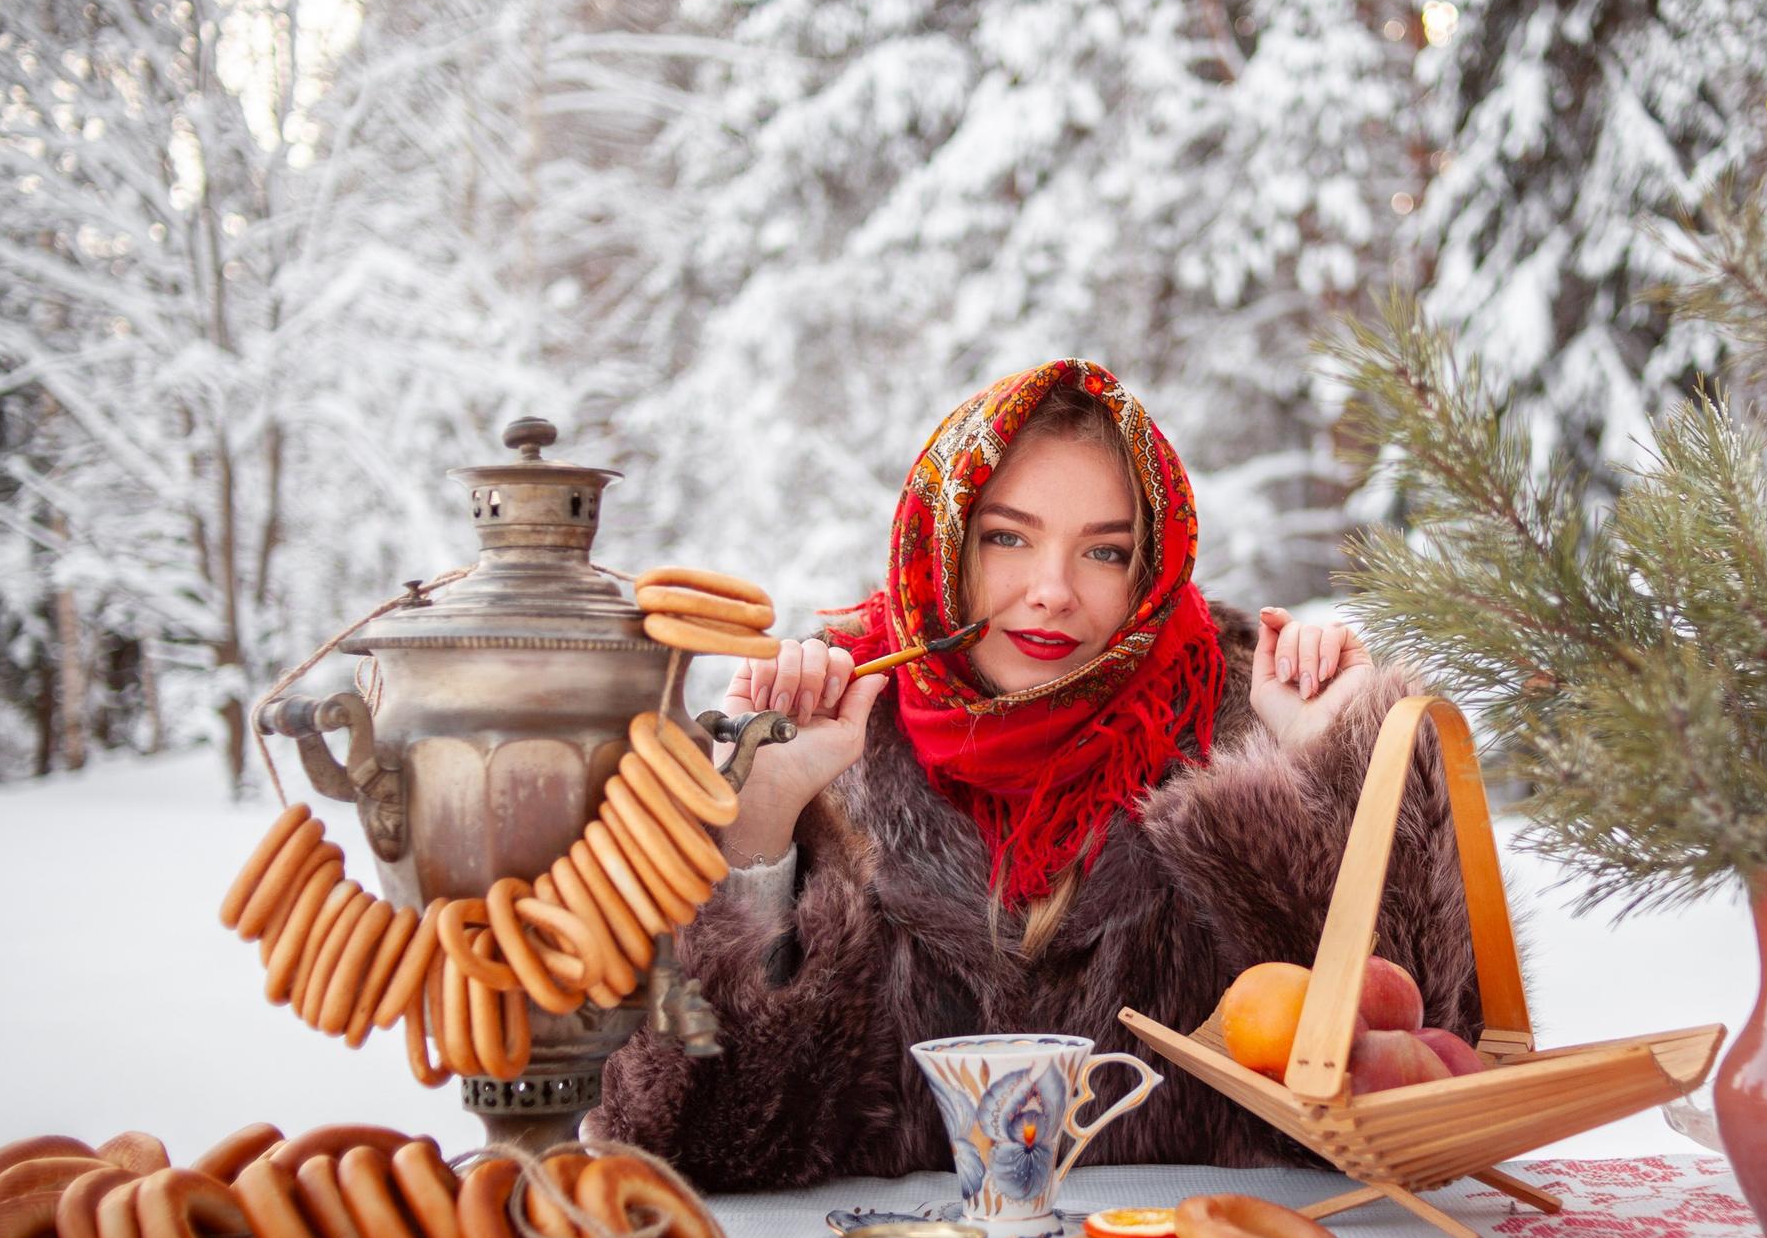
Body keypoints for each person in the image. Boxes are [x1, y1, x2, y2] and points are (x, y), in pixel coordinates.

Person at [598, 361, 1514, 1188]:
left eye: (1104, 550)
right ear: (942, 545)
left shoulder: (1243, 718)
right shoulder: (833, 735)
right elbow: (704, 1135)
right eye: (1007, 538)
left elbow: (1430, 1082)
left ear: (1149, 566)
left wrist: (1328, 773)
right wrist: (761, 817)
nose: (1054, 590)